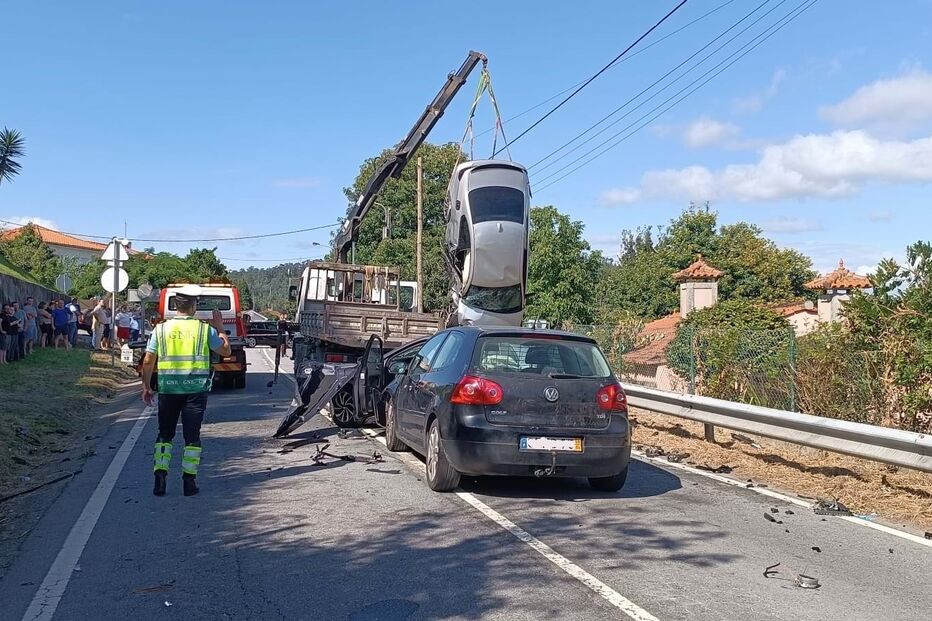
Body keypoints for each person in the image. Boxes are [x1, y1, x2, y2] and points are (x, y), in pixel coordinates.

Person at [141, 285, 231, 497]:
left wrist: (146, 386)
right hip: (195, 391)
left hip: (168, 390)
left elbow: (148, 360)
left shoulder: (160, 329)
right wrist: (220, 328)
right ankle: (189, 482)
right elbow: (225, 351)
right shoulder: (203, 330)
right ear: (194, 306)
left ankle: (160, 477)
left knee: (164, 434)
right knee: (192, 438)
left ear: (175, 306)